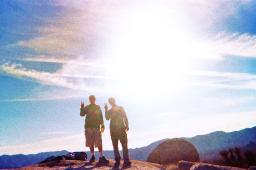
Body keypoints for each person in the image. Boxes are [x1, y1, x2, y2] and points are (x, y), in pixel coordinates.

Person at [80, 95, 109, 164]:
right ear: (89, 100)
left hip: (96, 127)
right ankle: (93, 156)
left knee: (99, 142)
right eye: (91, 99)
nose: (92, 100)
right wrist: (82, 108)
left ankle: (101, 157)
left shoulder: (97, 107)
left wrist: (102, 125)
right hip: (88, 127)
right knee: (90, 142)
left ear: (94, 99)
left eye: (93, 99)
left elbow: (101, 116)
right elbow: (82, 114)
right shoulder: (87, 107)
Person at [104, 97, 131, 168]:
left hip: (114, 130)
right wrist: (127, 125)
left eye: (110, 101)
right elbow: (125, 117)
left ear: (110, 103)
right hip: (121, 129)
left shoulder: (112, 110)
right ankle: (126, 161)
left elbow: (107, 118)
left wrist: (106, 110)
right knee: (124, 145)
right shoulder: (120, 108)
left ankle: (118, 160)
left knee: (116, 145)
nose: (111, 103)